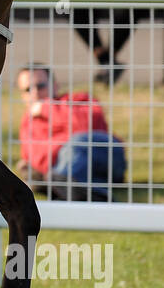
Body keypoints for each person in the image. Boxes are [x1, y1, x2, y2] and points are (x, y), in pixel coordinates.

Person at [14, 64, 126, 202]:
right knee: (68, 152)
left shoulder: (79, 99)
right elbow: (37, 158)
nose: (35, 92)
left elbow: (88, 124)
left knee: (77, 143)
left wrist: (46, 109)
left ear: (55, 86)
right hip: (64, 169)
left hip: (105, 158)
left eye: (41, 85)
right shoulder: (28, 122)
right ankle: (83, 192)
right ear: (22, 95)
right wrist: (67, 139)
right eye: (28, 89)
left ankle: (58, 184)